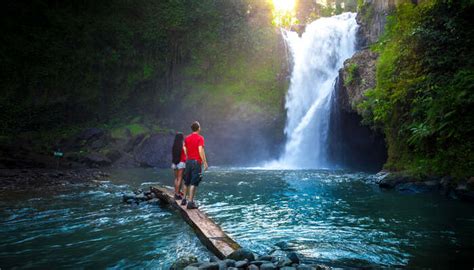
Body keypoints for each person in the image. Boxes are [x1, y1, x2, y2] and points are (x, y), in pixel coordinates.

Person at [181, 121, 208, 209]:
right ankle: (190, 202)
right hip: (196, 162)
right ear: (198, 128)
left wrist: (188, 156)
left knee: (186, 181)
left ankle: (184, 199)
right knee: (194, 182)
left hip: (188, 161)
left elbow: (184, 148)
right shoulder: (200, 138)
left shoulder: (187, 138)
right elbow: (200, 150)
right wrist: (204, 162)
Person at [171, 132, 186, 200]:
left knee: (176, 178)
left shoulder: (174, 145)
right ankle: (177, 194)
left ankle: (176, 192)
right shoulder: (183, 145)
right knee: (180, 178)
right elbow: (185, 154)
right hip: (181, 163)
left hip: (174, 163)